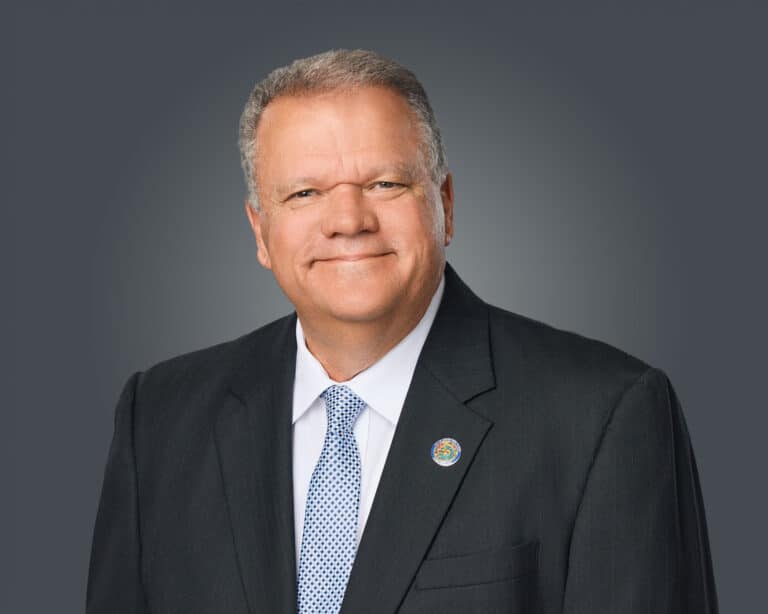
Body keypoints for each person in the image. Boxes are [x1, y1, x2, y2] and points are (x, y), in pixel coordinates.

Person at [86, 49, 719, 614]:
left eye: (385, 183)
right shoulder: (159, 420)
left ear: (445, 205)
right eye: (304, 193)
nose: (348, 219)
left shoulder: (603, 416)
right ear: (260, 232)